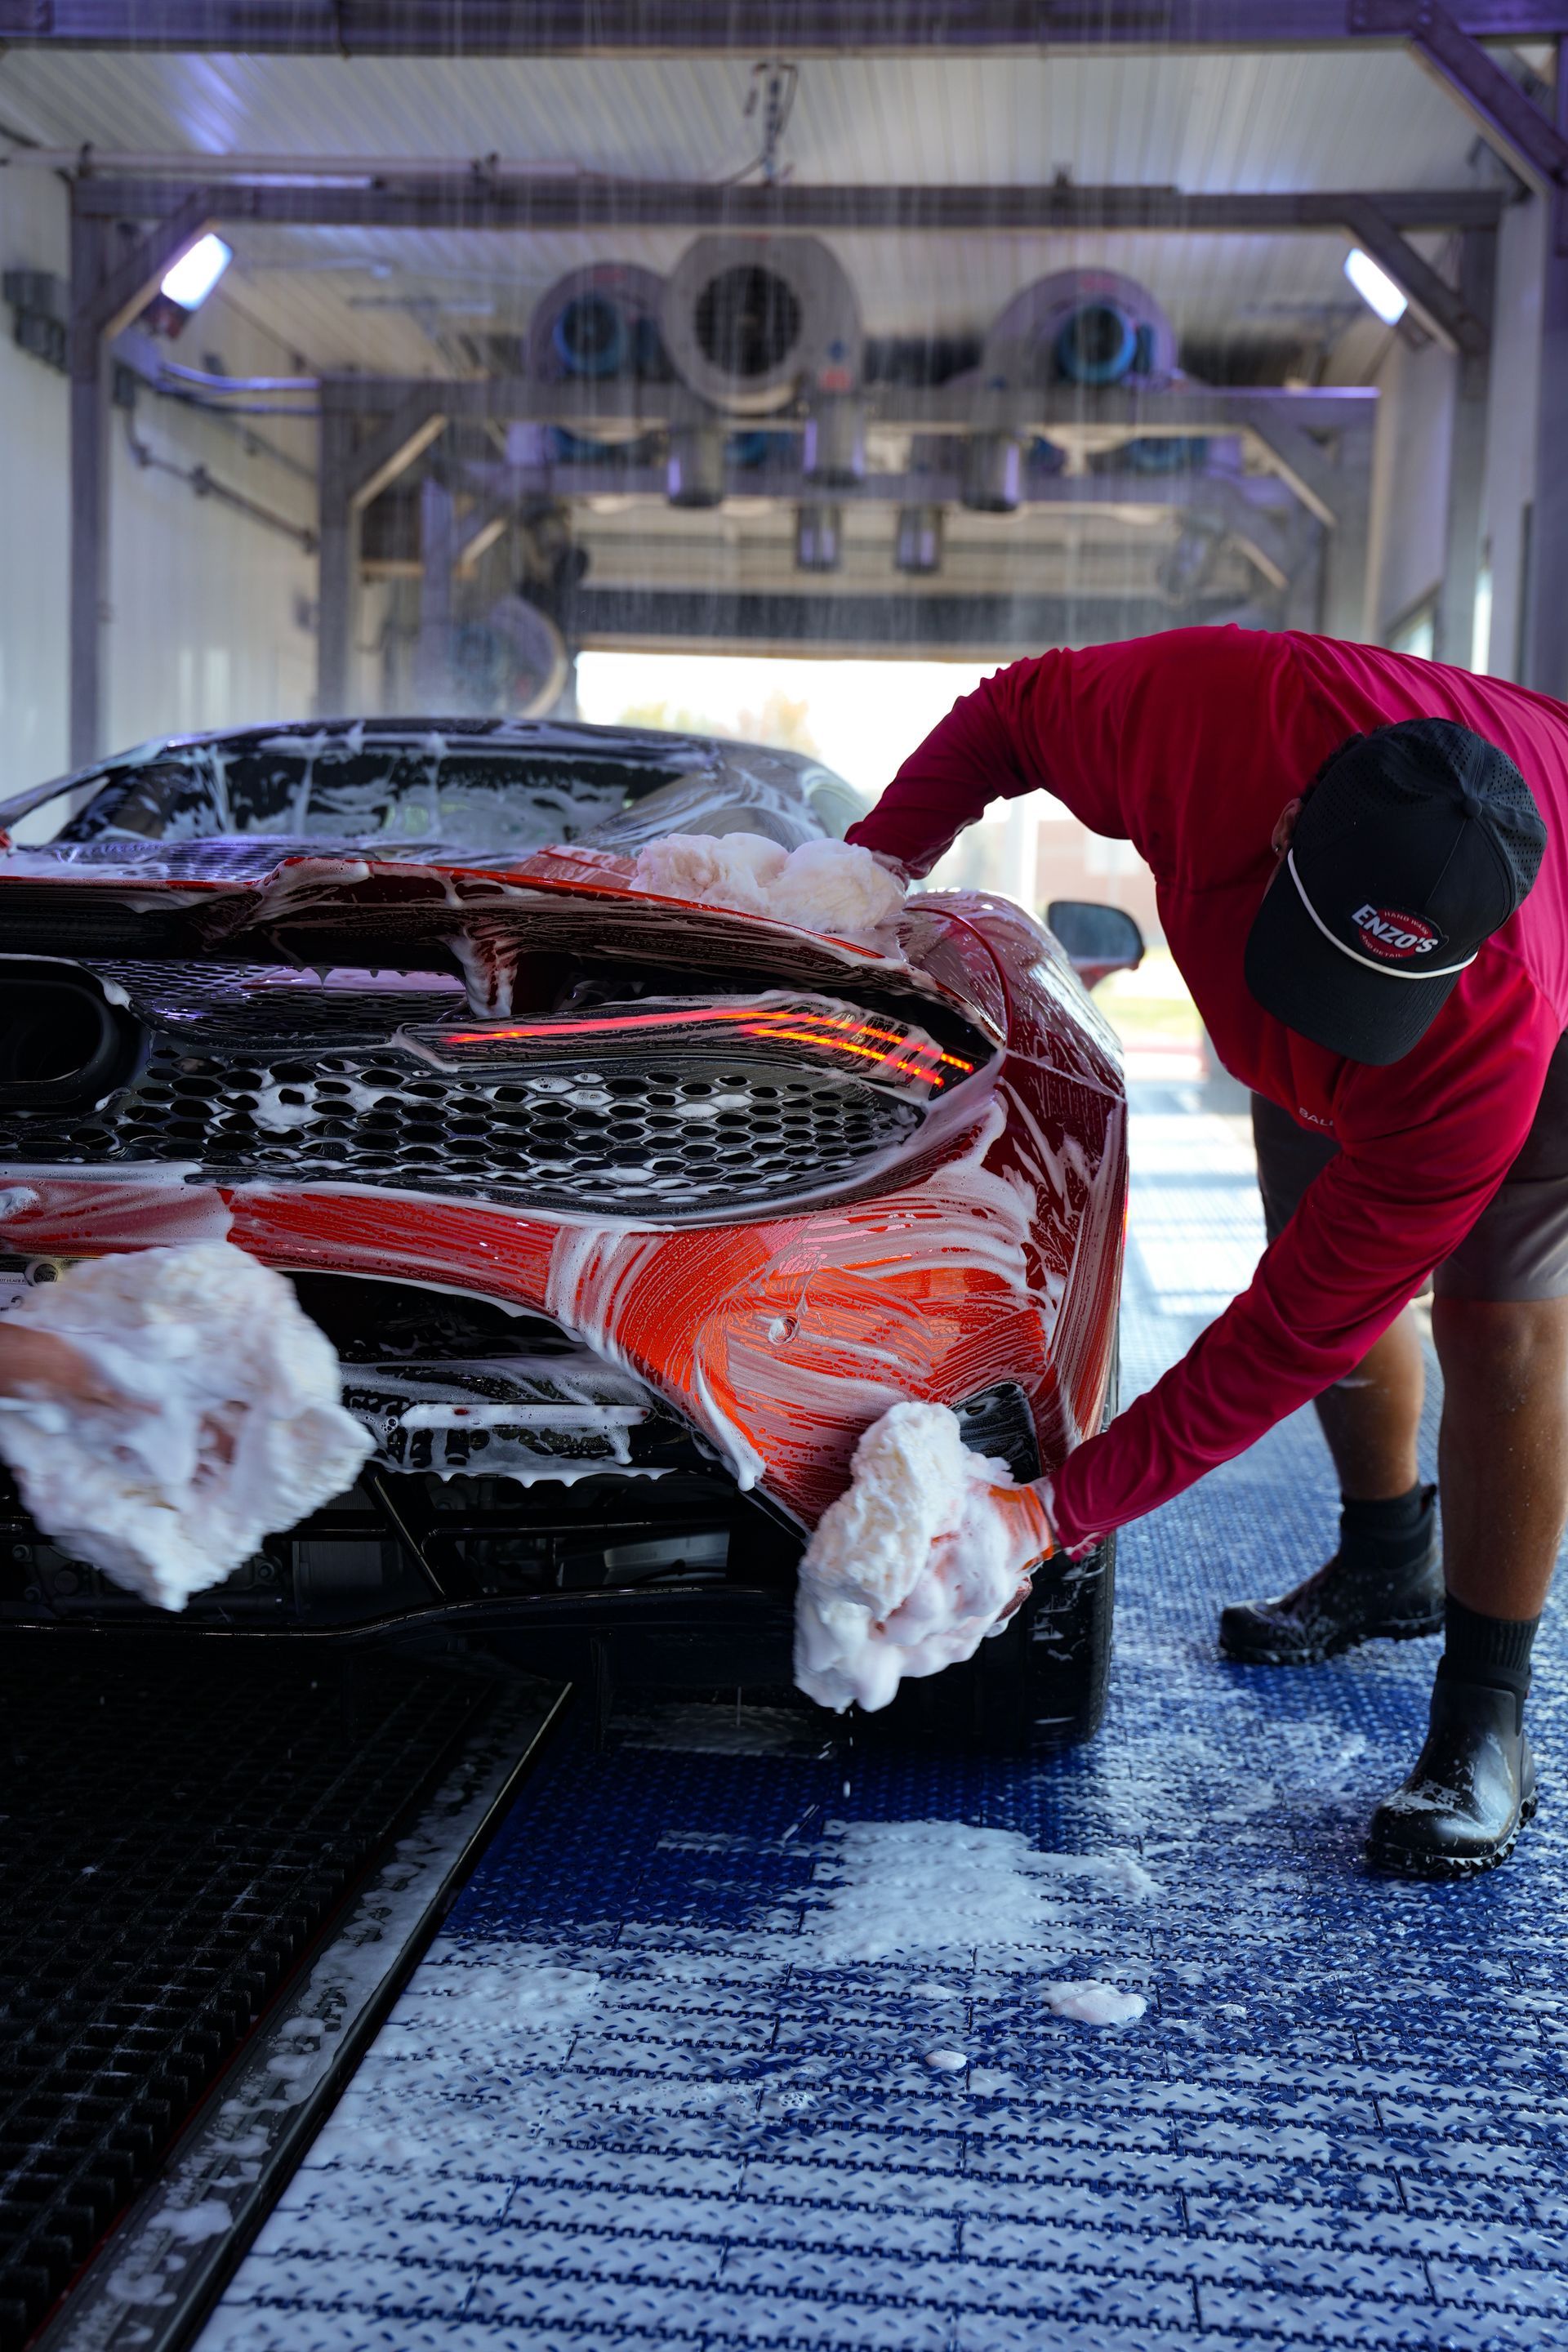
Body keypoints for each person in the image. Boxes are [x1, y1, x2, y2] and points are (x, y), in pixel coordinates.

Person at [847, 626, 1567, 1880]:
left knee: (1496, 1322)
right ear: (1286, 825)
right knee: (1313, 1231)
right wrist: (855, 887)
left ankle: (1484, 1723)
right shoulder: (1207, 713)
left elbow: (1291, 1332)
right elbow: (1006, 716)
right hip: (1340, 939)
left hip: (1529, 1037)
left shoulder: (1486, 1037)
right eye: (1332, 964)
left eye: (1375, 1000)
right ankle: (1389, 1555)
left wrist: (1046, 1518)